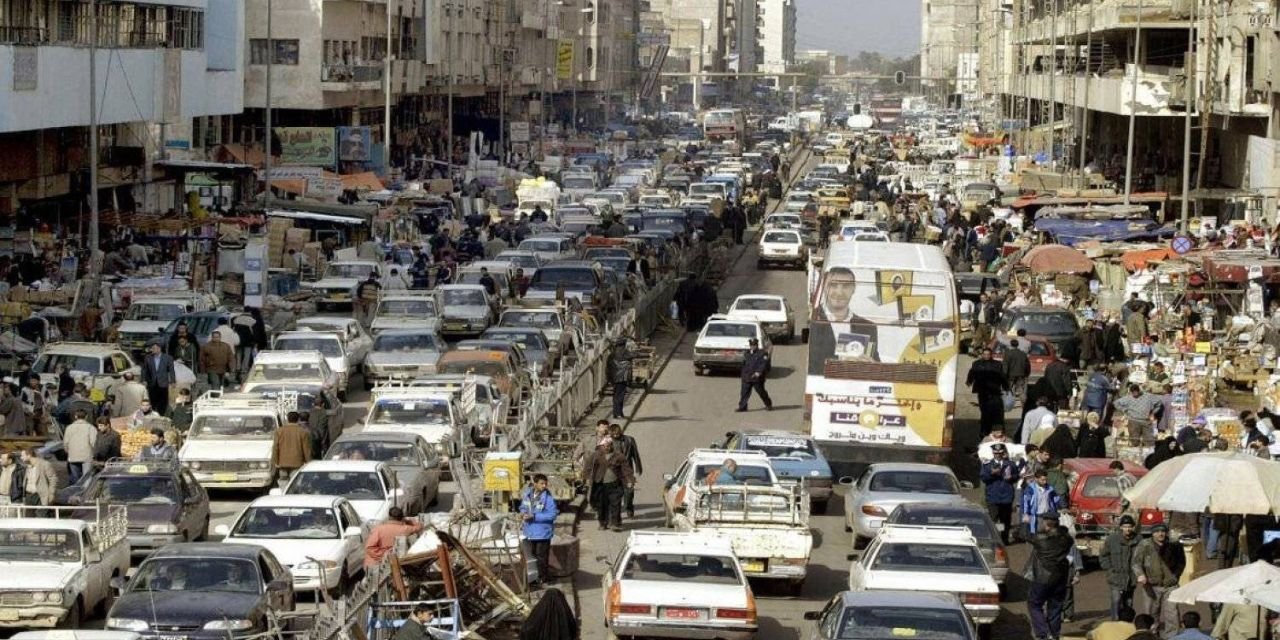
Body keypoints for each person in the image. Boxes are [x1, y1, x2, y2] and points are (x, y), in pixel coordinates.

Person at [1026, 512, 1074, 640]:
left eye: (1042, 521)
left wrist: (1026, 521)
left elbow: (1023, 534)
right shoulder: (1066, 539)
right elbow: (1069, 539)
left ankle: (1043, 634)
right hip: (1060, 578)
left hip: (1043, 577)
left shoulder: (1040, 539)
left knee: (1034, 604)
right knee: (1055, 606)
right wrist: (1062, 530)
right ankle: (1054, 634)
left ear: (1046, 524)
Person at [1133, 523, 1186, 637]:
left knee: (1172, 614)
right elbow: (1136, 562)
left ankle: (1172, 637)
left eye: (1162, 531)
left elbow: (1181, 562)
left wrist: (1175, 576)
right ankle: (1152, 635)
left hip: (1170, 586)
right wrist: (1140, 575)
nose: (1160, 534)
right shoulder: (1145, 545)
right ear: (1152, 533)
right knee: (1151, 613)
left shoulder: (1174, 544)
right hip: (1151, 585)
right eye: (1157, 532)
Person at [582, 439, 630, 531]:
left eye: (609, 445)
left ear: (612, 445)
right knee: (602, 505)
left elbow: (626, 468)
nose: (607, 447)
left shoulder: (618, 456)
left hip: (615, 484)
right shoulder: (595, 455)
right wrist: (586, 478)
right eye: (605, 445)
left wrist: (630, 480)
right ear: (601, 446)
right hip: (600, 484)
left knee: (615, 504)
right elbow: (587, 467)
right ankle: (603, 523)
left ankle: (615, 523)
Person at [1100, 515, 1142, 621]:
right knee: (1116, 600)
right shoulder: (1112, 539)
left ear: (1133, 527)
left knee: (1129, 602)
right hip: (1116, 577)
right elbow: (1104, 555)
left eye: (1129, 526)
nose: (1127, 529)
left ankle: (1127, 623)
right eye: (1125, 526)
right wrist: (1109, 570)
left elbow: (1143, 557)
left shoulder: (1139, 540)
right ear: (1121, 527)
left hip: (1131, 578)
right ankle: (1115, 622)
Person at [519, 474, 559, 585]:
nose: (544, 485)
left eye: (545, 483)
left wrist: (535, 517)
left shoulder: (548, 498)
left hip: (542, 532)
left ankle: (543, 578)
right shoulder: (528, 494)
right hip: (531, 532)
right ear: (535, 483)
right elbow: (523, 506)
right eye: (541, 483)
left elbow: (552, 515)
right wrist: (523, 513)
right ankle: (538, 575)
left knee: (541, 556)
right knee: (534, 555)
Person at [980, 443, 1019, 544]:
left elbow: (1016, 476)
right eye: (996, 453)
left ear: (1003, 453)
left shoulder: (1010, 464)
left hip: (1006, 496)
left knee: (1005, 520)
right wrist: (992, 474)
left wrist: (1011, 478)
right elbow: (983, 478)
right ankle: (994, 538)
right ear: (993, 453)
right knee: (993, 519)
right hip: (993, 496)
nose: (998, 455)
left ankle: (1004, 539)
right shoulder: (987, 464)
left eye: (1000, 453)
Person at [966, 348, 1008, 436]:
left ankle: (995, 430)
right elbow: (972, 373)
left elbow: (1002, 376)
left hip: (995, 391)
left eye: (988, 354)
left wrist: (1006, 387)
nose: (986, 356)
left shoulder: (997, 364)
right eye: (984, 354)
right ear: (982, 355)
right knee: (984, 411)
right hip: (982, 391)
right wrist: (969, 381)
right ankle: (984, 431)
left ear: (991, 354)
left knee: (996, 411)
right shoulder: (977, 364)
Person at [610, 423, 642, 518]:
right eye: (614, 434)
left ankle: (629, 507)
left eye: (617, 433)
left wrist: (638, 467)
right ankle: (617, 514)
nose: (616, 435)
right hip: (614, 472)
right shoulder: (608, 442)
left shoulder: (629, 440)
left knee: (629, 492)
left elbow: (635, 454)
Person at [272, 411, 312, 484]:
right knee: (295, 481)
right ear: (298, 419)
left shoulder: (279, 431)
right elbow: (306, 449)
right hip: (297, 462)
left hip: (282, 462)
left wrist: (275, 461)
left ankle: (284, 494)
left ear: (287, 419)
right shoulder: (302, 432)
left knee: (283, 481)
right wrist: (308, 462)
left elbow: (275, 447)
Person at [1021, 469, 1063, 537]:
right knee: (1038, 536)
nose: (1045, 482)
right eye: (1042, 480)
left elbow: (1055, 500)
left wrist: (1060, 507)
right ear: (1036, 479)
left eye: (1046, 479)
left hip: (1048, 516)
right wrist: (1025, 514)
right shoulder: (1030, 489)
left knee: (1050, 536)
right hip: (1036, 516)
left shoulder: (1050, 489)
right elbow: (1026, 502)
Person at [737, 339, 773, 412]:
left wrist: (758, 372)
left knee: (761, 392)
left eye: (754, 345)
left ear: (757, 345)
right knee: (744, 393)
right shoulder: (747, 353)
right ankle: (742, 407)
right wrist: (743, 374)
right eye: (751, 345)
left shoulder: (762, 353)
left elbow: (763, 364)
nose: (752, 347)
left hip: (757, 378)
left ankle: (768, 404)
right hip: (747, 377)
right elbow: (743, 364)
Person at [140, 343, 176, 415]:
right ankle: (153, 413)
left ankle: (161, 414)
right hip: (152, 383)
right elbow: (144, 370)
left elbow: (171, 370)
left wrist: (173, 381)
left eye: (154, 348)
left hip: (163, 383)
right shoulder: (148, 358)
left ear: (159, 349)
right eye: (152, 348)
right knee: (153, 400)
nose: (152, 350)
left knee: (163, 401)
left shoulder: (168, 358)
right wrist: (144, 380)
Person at [62, 409, 96, 483]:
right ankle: (87, 493)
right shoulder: (91, 428)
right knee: (87, 480)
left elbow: (65, 443)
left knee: (76, 480)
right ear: (86, 417)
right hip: (87, 456)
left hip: (73, 457)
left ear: (75, 416)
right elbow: (94, 443)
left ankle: (76, 493)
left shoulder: (69, 428)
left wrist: (69, 452)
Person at [20, 447, 56, 514]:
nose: (21, 458)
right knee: (29, 518)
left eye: (22, 455)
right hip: (29, 496)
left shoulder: (44, 464)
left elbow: (53, 479)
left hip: (41, 495)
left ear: (29, 455)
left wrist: (51, 494)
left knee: (41, 517)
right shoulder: (28, 466)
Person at [608, 338, 634, 420]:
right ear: (623, 345)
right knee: (620, 396)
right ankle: (619, 413)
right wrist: (647, 355)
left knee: (616, 396)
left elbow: (607, 368)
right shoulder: (623, 353)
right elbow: (634, 355)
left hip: (614, 378)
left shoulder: (612, 355)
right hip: (622, 378)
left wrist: (609, 378)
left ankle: (617, 413)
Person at [1003, 339, 1031, 404]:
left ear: (1010, 345)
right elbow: (1027, 365)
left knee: (1008, 389)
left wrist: (1004, 375)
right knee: (1021, 390)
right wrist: (1026, 374)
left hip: (1010, 375)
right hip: (1021, 374)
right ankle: (1024, 403)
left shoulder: (1008, 353)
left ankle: (1008, 403)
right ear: (1017, 345)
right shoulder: (1023, 354)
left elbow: (1005, 365)